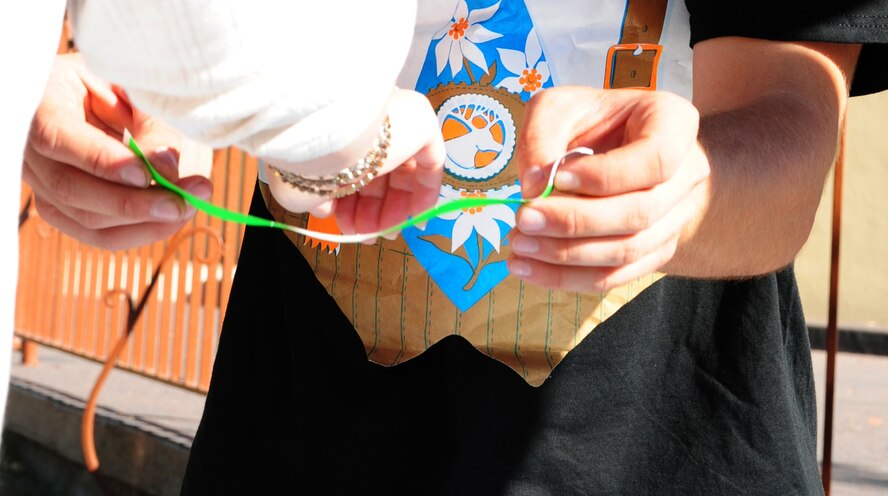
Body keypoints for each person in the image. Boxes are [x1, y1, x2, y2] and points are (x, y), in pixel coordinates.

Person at [18, 1, 888, 494]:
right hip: (301, 426)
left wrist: (692, 183)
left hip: (655, 435)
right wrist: (56, 71)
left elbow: (791, 127)